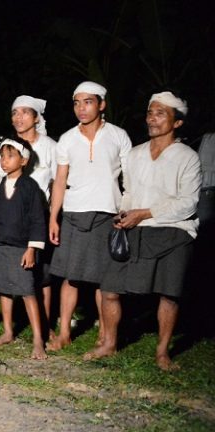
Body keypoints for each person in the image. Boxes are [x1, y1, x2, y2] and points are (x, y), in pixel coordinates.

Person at [83, 92, 200, 370]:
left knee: (169, 294)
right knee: (109, 287)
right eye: (150, 112)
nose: (152, 118)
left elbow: (189, 203)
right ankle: (109, 344)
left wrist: (145, 213)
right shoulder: (135, 154)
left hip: (175, 231)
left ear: (177, 123)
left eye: (160, 113)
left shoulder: (188, 157)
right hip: (135, 229)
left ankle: (162, 353)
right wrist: (123, 214)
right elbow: (129, 193)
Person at [48, 81, 132, 351]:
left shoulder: (119, 136)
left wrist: (126, 210)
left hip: (107, 212)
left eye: (88, 102)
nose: (81, 108)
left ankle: (105, 337)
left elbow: (130, 179)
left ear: (101, 104)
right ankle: (63, 334)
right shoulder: (67, 139)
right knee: (70, 276)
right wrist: (54, 217)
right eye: (76, 102)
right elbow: (60, 180)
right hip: (74, 212)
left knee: (102, 278)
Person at [0, 96, 57, 336]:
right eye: (14, 113)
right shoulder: (6, 148)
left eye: (24, 112)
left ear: (36, 117)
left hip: (34, 222)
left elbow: (59, 182)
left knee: (40, 277)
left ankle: (45, 325)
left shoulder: (51, 146)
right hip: (5, 222)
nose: (18, 118)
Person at [0, 138, 48, 359]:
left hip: (20, 248)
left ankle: (39, 339)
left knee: (27, 292)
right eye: (2, 156)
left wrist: (32, 248)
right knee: (3, 289)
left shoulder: (30, 188)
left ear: (24, 161)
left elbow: (38, 220)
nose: (4, 160)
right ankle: (8, 332)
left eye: (10, 156)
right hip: (0, 245)